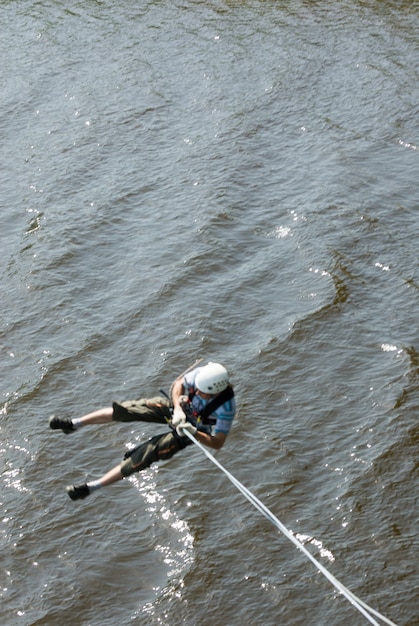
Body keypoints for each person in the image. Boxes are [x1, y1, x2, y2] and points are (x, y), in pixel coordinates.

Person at [49, 362, 236, 501]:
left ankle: (92, 487)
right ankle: (74, 424)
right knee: (127, 410)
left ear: (215, 392)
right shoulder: (203, 375)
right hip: (177, 409)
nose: (198, 391)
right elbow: (180, 384)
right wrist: (178, 407)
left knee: (146, 455)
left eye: (202, 392)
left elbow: (218, 442)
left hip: (191, 429)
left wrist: (192, 432)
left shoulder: (226, 408)